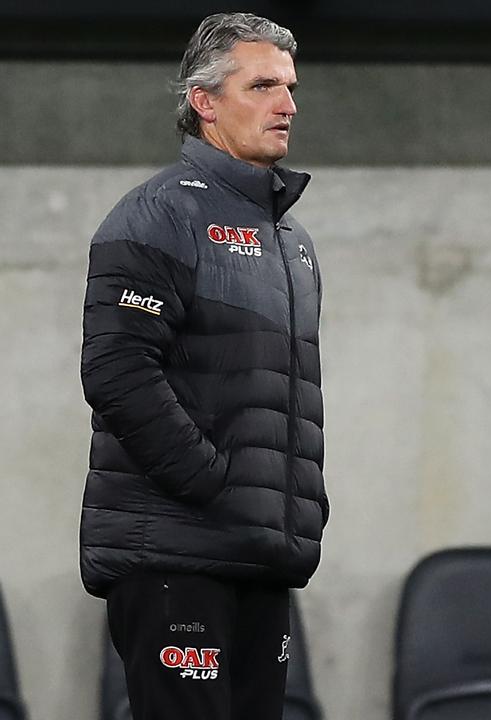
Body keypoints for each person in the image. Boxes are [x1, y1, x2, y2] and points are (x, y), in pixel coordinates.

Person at [79, 12, 326, 719]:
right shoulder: (156, 216)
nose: (288, 105)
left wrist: (291, 504)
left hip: (259, 553)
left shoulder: (292, 240)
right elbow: (118, 371)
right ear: (205, 102)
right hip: (175, 557)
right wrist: (211, 481)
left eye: (290, 87)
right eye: (263, 86)